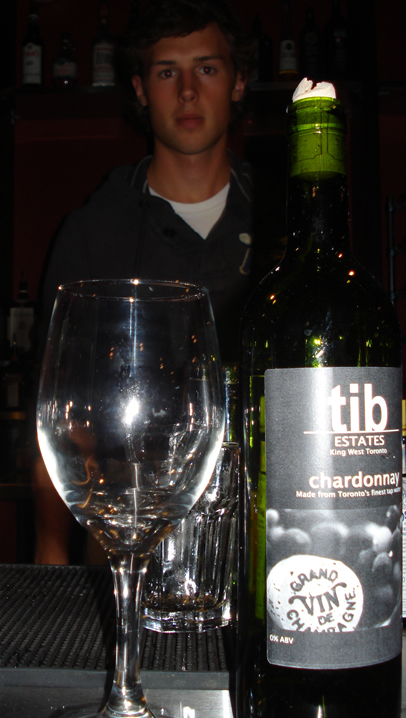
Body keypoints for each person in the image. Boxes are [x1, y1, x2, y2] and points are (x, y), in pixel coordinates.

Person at [33, 0, 257, 565]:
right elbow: (56, 420)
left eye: (207, 68)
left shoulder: (287, 224)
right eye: (166, 72)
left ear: (238, 82)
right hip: (122, 552)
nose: (188, 91)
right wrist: (51, 564)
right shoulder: (92, 231)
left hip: (261, 542)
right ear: (139, 89)